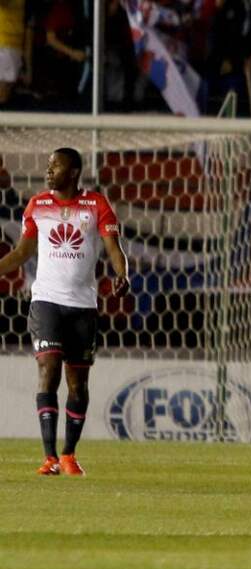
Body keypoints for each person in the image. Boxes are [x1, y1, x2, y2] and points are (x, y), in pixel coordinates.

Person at [0, 148, 129, 476]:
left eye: (55, 166)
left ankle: (69, 454)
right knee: (49, 368)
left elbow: (114, 249)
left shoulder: (96, 205)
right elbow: (22, 252)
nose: (48, 170)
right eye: (48, 165)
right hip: (46, 302)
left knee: (78, 383)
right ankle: (49, 457)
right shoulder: (37, 205)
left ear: (73, 172)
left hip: (83, 305)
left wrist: (121, 275)